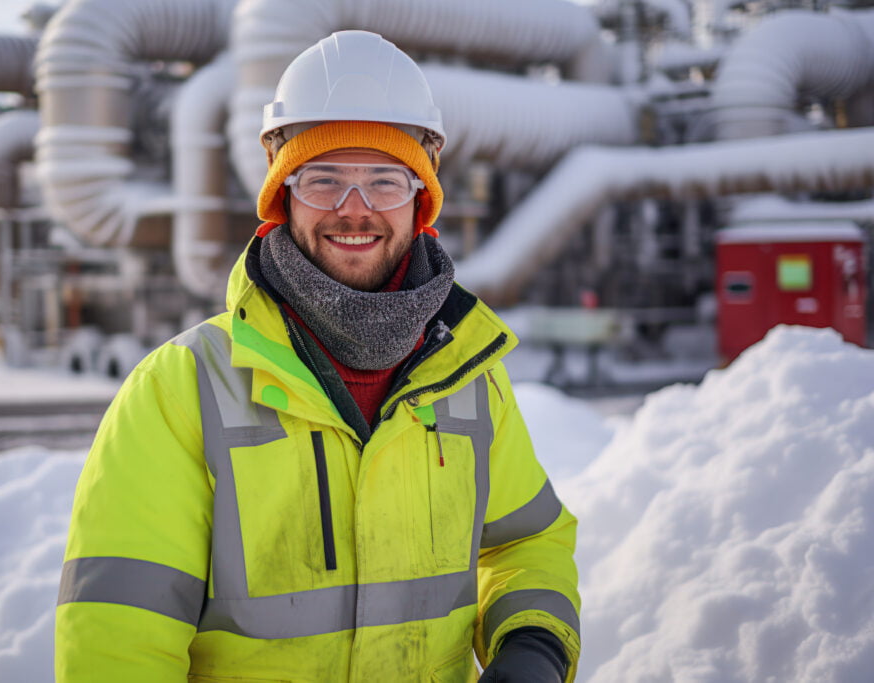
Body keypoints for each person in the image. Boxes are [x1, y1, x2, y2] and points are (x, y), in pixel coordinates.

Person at [55, 30, 580, 683]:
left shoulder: (469, 379)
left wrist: (532, 644)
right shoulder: (181, 388)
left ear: (422, 201)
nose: (354, 210)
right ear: (283, 195)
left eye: (385, 181)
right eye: (323, 178)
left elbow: (526, 540)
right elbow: (118, 639)